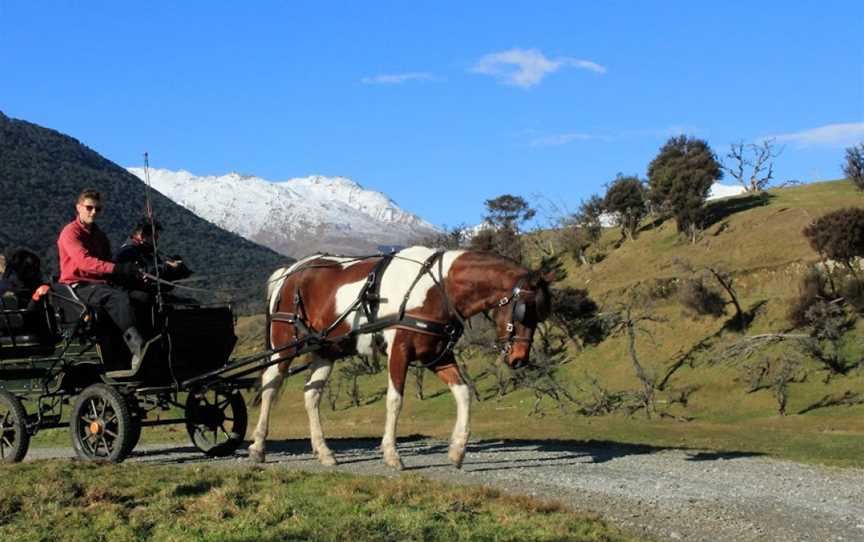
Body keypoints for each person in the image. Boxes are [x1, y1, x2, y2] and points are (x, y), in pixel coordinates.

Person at [57, 188, 150, 371]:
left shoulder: (100, 235)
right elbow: (85, 263)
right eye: (89, 207)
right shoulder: (70, 233)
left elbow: (108, 264)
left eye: (97, 209)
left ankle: (146, 343)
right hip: (78, 287)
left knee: (142, 296)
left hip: (101, 285)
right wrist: (118, 268)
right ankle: (137, 347)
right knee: (117, 298)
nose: (93, 212)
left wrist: (129, 273)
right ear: (78, 207)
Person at [116, 217, 191, 301]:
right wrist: (169, 268)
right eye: (155, 236)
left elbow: (161, 276)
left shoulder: (147, 250)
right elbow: (145, 271)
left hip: (150, 293)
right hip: (135, 297)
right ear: (143, 235)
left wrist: (177, 271)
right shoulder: (128, 252)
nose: (157, 239)